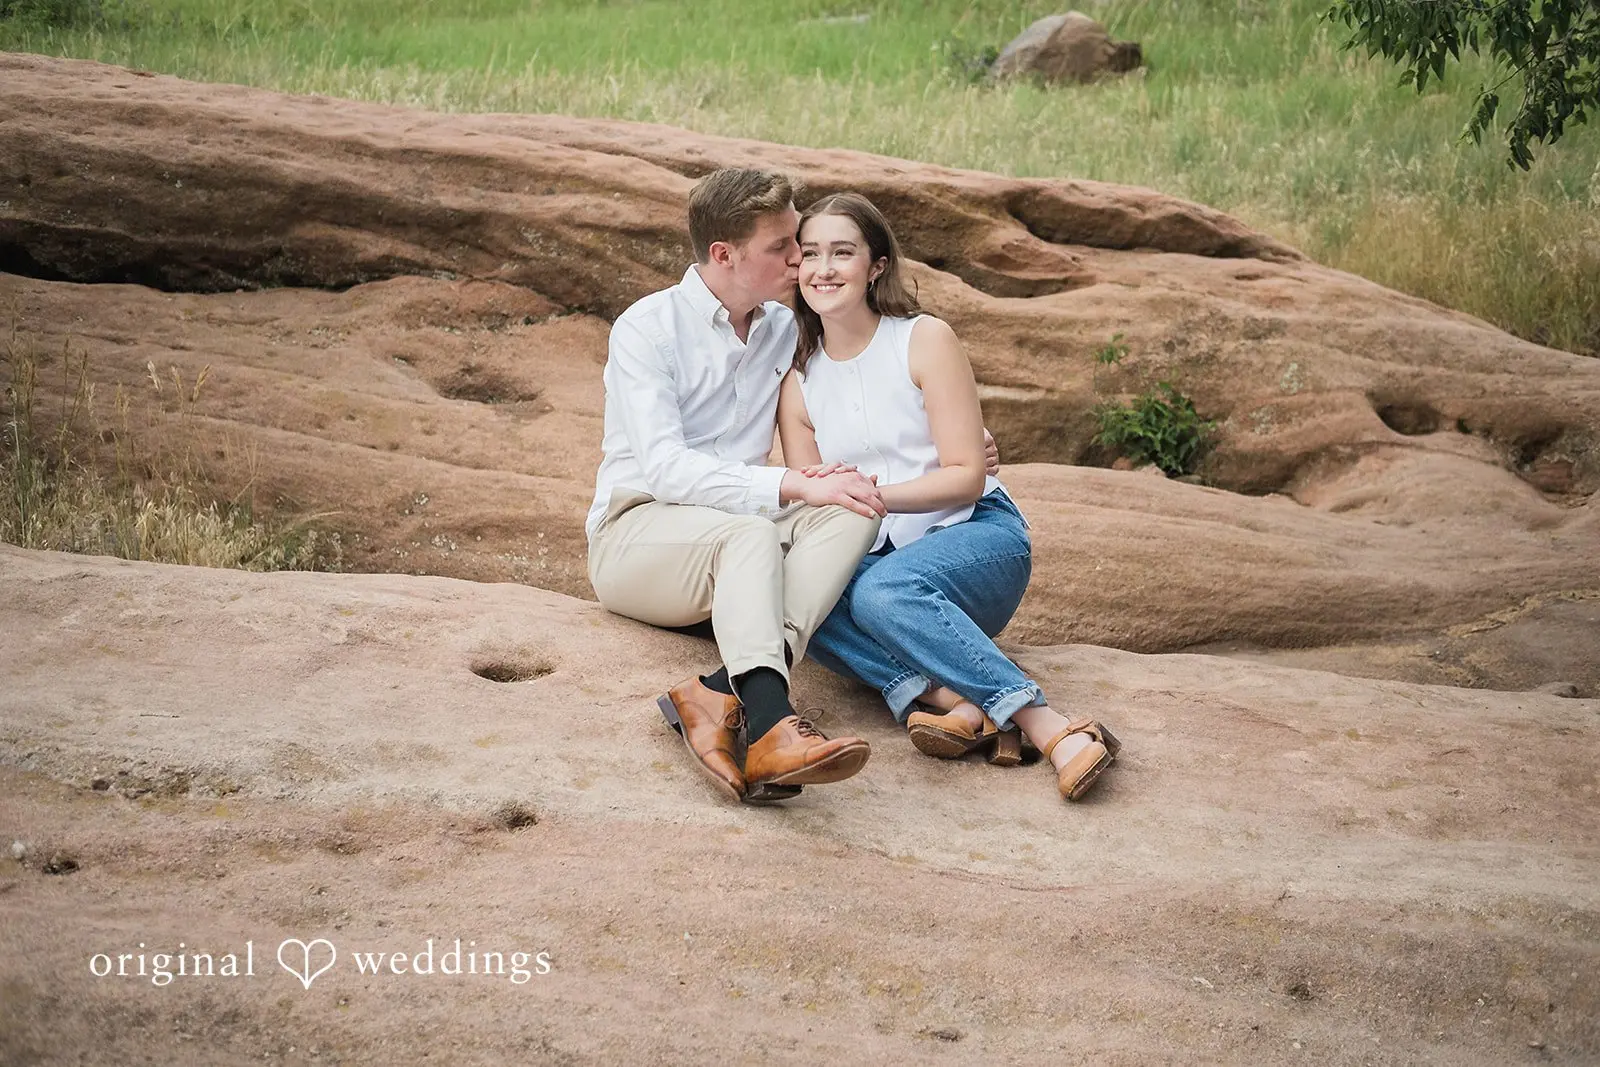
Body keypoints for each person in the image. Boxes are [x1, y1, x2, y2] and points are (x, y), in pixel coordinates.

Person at [776, 192, 1121, 802]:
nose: (823, 269)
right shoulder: (798, 381)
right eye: (810, 254)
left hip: (976, 537)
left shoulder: (923, 339)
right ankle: (953, 699)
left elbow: (964, 475)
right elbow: (817, 506)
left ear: (876, 265)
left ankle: (1051, 726)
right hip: (882, 565)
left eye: (842, 253)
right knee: (796, 589)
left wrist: (867, 494)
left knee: (884, 591)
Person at [586, 168, 892, 805]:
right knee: (753, 531)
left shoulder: (783, 326)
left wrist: (955, 445)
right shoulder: (647, 329)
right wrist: (788, 483)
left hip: (734, 537)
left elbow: (863, 376)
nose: (800, 257)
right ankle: (772, 721)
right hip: (638, 535)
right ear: (724, 255)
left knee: (855, 505)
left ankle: (718, 690)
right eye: (783, 246)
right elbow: (667, 470)